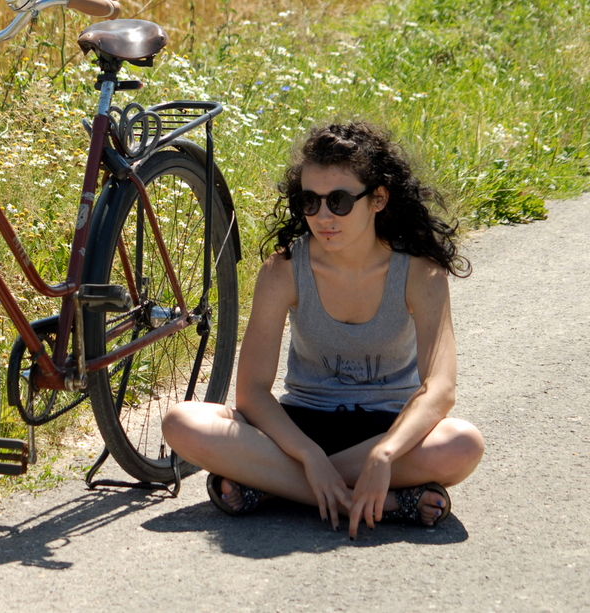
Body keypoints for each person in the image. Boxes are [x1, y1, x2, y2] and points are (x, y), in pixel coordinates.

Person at [162, 121, 484, 539]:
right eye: (309, 202)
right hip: (300, 430)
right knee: (182, 421)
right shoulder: (283, 271)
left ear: (378, 199)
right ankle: (383, 502)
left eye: (338, 201)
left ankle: (274, 486)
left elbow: (440, 388)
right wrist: (309, 456)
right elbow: (254, 392)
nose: (322, 216)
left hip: (387, 429)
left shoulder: (420, 272)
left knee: (463, 444)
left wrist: (385, 454)